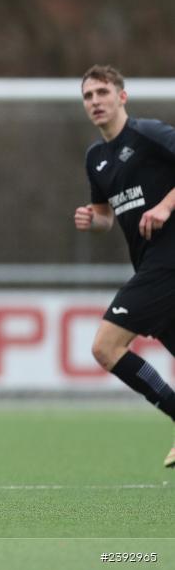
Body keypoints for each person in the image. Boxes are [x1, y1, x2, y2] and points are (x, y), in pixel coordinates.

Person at [75, 64, 175, 468]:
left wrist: (166, 206)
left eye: (102, 92)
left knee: (105, 346)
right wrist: (92, 220)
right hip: (151, 265)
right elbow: (106, 216)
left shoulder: (148, 134)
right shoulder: (96, 159)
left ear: (122, 97)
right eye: (88, 96)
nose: (95, 102)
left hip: (168, 263)